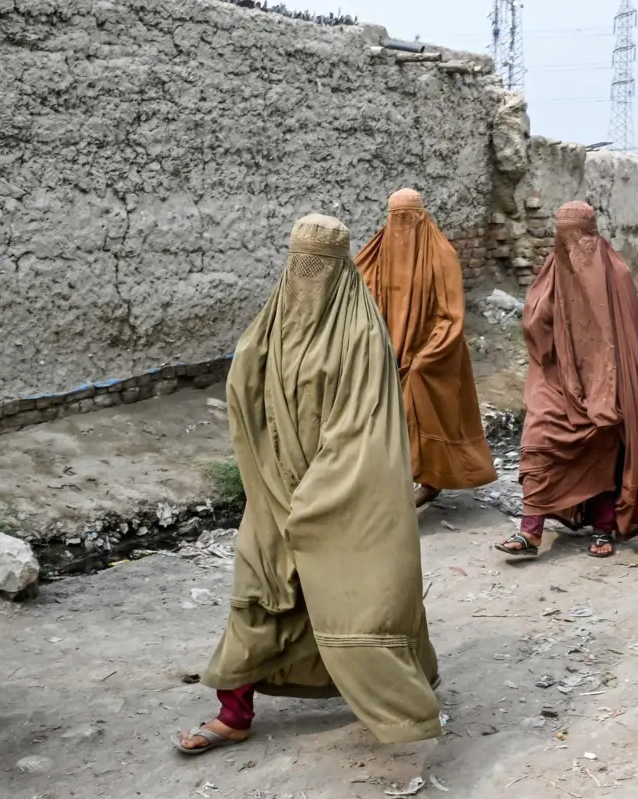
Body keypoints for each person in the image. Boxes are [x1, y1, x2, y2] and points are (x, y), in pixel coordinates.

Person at [173, 214, 441, 753]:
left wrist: (318, 493)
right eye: (299, 266)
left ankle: (402, 701)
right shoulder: (272, 324)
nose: (306, 279)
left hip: (335, 494)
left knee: (361, 599)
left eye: (318, 268)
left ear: (341, 270)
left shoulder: (361, 335)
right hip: (274, 491)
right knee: (260, 591)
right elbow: (244, 392)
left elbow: (360, 427)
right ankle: (233, 712)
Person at [496, 202, 638, 559]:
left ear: (592, 234)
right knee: (538, 440)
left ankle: (604, 527)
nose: (572, 245)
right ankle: (530, 531)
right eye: (564, 237)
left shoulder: (617, 275)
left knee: (602, 441)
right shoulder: (551, 274)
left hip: (602, 382)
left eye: (578, 236)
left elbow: (628, 342)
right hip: (554, 381)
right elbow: (535, 329)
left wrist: (609, 387)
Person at [355, 188, 497, 507]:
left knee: (419, 418)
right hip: (388, 352)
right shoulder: (378, 251)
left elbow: (451, 315)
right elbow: (358, 289)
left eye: (407, 219)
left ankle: (421, 483)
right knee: (385, 423)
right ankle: (398, 489)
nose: (401, 227)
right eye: (395, 219)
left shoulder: (441, 255)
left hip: (432, 354)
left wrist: (427, 356)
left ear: (421, 217)